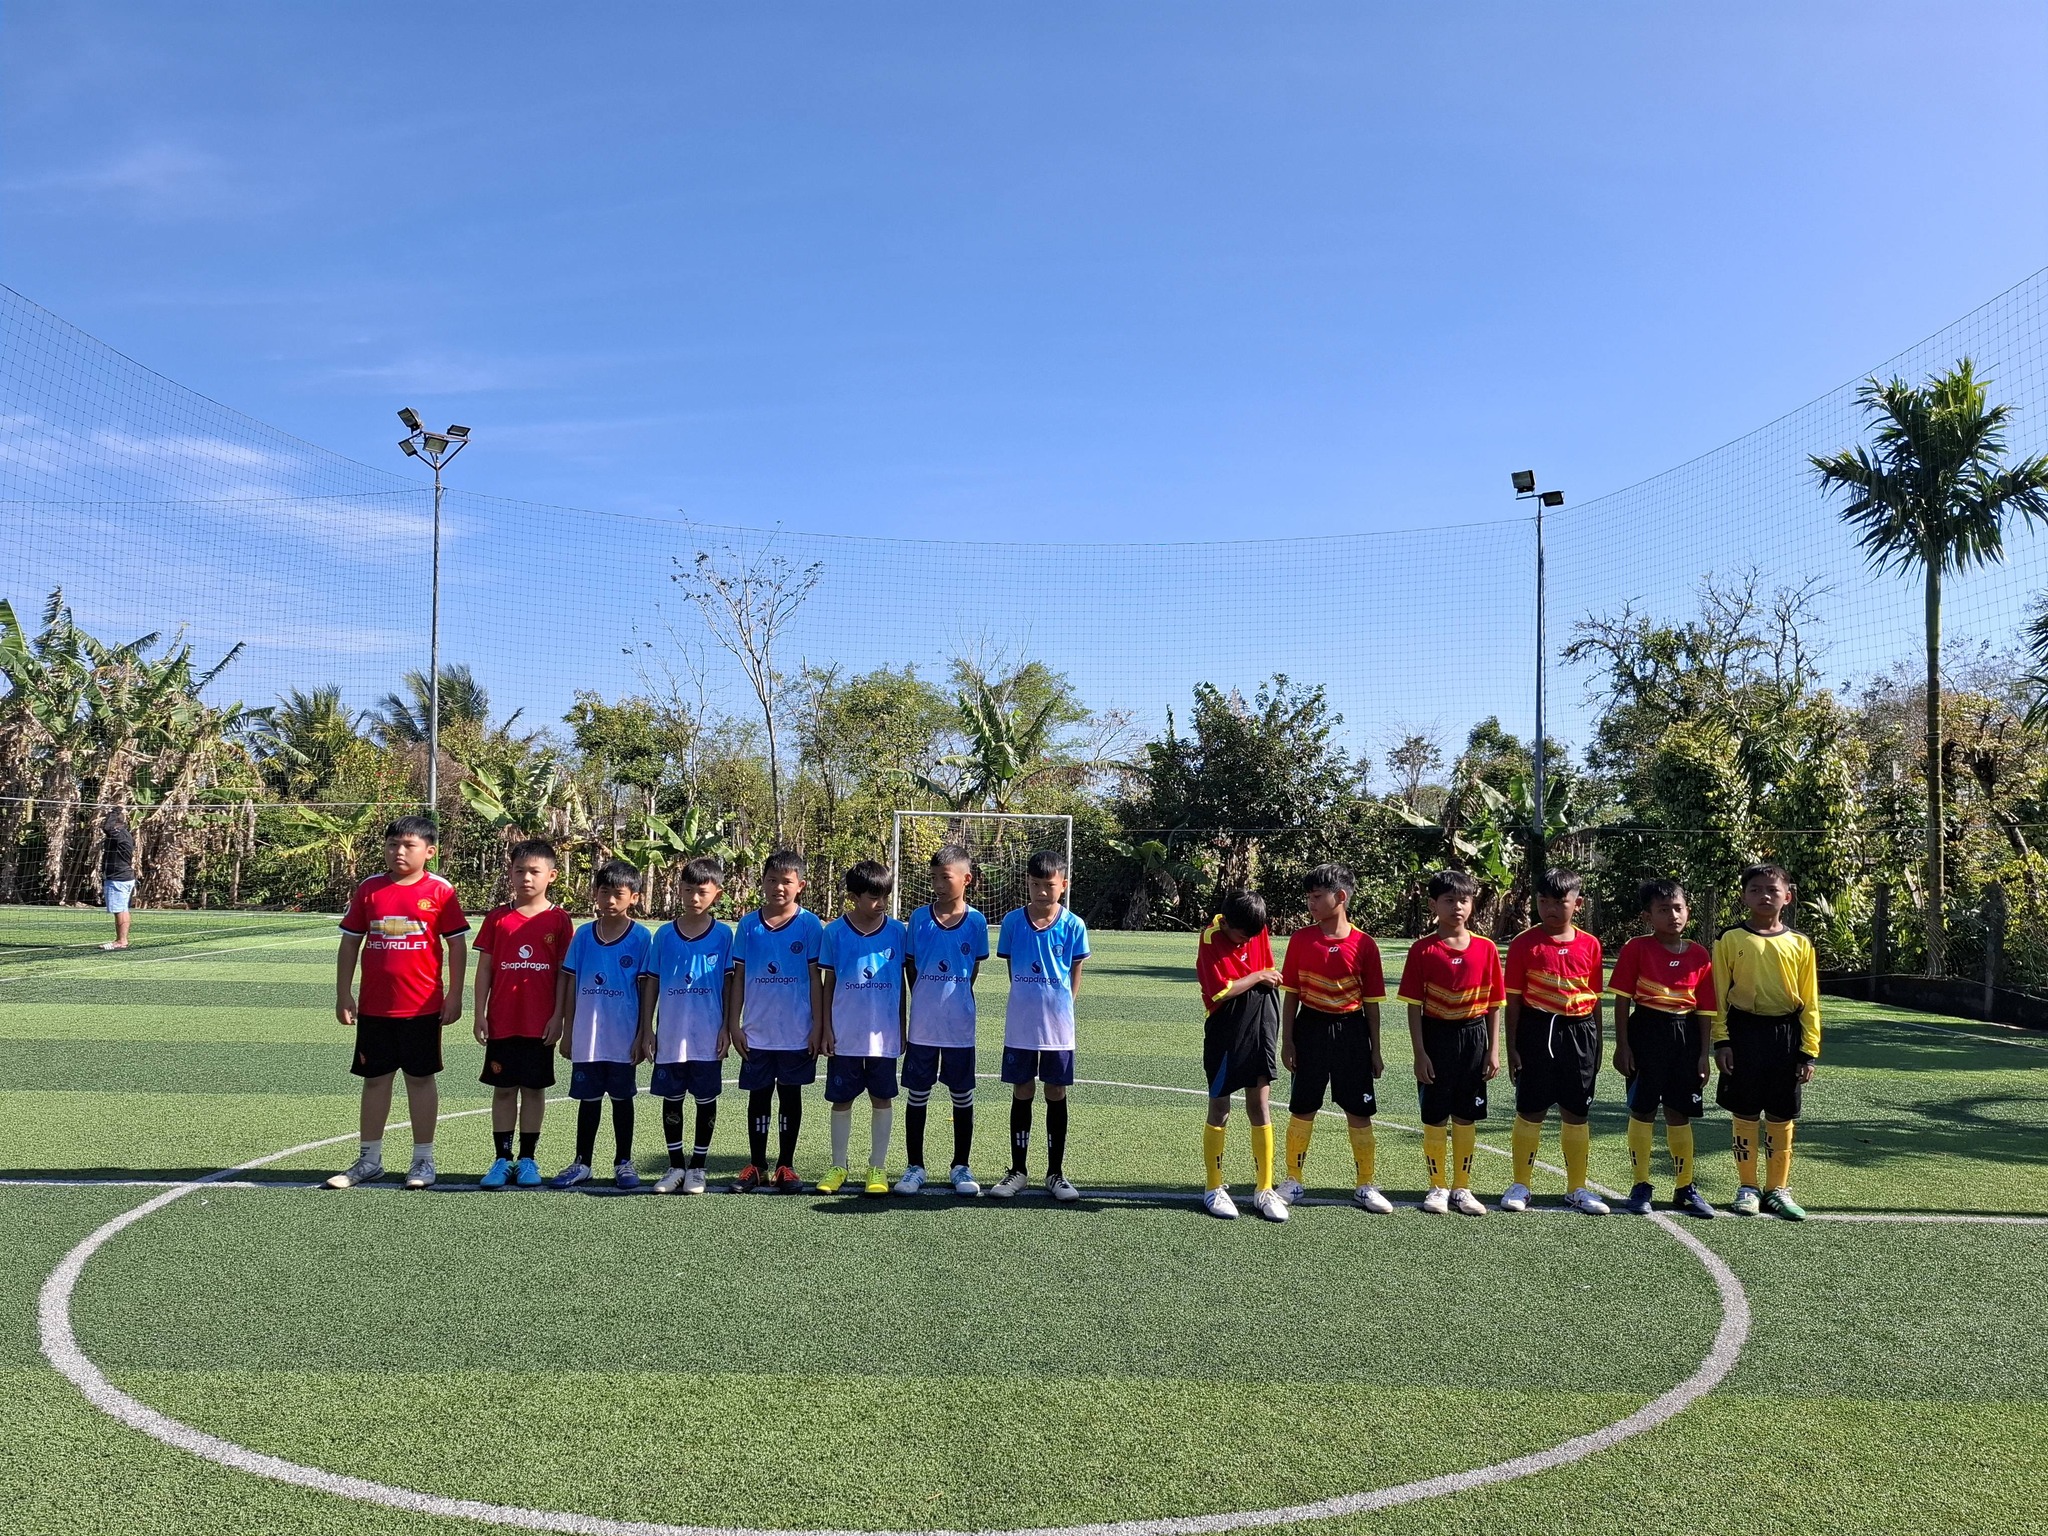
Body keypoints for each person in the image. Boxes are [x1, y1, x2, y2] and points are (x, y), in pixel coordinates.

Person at [326, 815, 468, 1190]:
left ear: (429, 852)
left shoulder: (441, 891)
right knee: (375, 1081)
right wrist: (344, 993)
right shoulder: (369, 889)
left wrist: (455, 994)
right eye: (392, 845)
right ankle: (369, 1159)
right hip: (375, 1007)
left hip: (422, 1007)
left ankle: (423, 1160)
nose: (399, 852)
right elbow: (350, 942)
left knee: (420, 1080)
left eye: (408, 845)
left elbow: (457, 945)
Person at [1276, 863, 1392, 1214]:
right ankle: (1293, 1180)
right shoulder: (1301, 939)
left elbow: (1371, 1004)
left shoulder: (1365, 944)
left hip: (1351, 1031)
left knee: (1359, 1109)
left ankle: (1365, 1184)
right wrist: (1287, 1041)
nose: (1310, 903)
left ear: (1340, 897)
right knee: (1303, 1106)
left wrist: (1375, 1050)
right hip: (1310, 1028)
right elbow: (1291, 995)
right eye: (1308, 897)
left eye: (1316, 896)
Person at [1713, 862, 1820, 1221]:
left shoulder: (1800, 943)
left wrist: (1808, 1051)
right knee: (1744, 1110)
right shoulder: (1730, 939)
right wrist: (1721, 1040)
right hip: (1743, 1032)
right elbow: (1718, 994)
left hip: (1786, 1036)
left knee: (1781, 1113)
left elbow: (1810, 1001)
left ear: (1787, 897)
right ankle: (1747, 1187)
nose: (1764, 896)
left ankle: (1777, 1188)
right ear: (1744, 896)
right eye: (1755, 889)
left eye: (1772, 890)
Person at [1501, 869, 1610, 1215]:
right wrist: (1512, 1047)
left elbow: (1595, 1000)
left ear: (1578, 904)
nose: (1550, 908)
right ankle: (1521, 1184)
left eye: (1560, 901)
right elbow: (1513, 1001)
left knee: (1576, 1112)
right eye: (1543, 900)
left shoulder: (1590, 945)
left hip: (1580, 1033)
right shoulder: (1524, 943)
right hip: (1537, 1030)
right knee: (1530, 1109)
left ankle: (1577, 1188)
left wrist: (1597, 1046)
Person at [1397, 868, 1505, 1215]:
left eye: (1464, 900)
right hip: (1436, 1036)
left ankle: (1462, 1187)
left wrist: (1493, 1050)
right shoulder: (1422, 950)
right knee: (1435, 1116)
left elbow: (1494, 1004)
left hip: (1474, 1036)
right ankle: (1437, 1187)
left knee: (1465, 1115)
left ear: (1472, 904)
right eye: (1449, 900)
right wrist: (1419, 1053)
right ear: (1433, 905)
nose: (1457, 907)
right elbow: (1414, 1006)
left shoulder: (1486, 948)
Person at [1610, 877, 1718, 1219]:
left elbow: (1705, 1010)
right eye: (1663, 910)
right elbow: (1622, 1001)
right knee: (1643, 1109)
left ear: (1688, 911)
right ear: (1648, 916)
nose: (1673, 915)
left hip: (1685, 1036)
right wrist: (1623, 1046)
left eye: (1678, 908)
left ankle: (1685, 1187)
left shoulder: (1699, 954)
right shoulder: (1636, 948)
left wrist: (1703, 1055)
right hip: (1646, 1032)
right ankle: (1641, 1185)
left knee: (1679, 1111)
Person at [471, 839, 573, 1189]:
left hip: (539, 1024)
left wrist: (558, 1017)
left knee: (533, 1089)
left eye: (534, 871)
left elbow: (564, 974)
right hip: (502, 1021)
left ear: (551, 876)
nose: (526, 878)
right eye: (519, 871)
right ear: (510, 874)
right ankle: (502, 1158)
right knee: (503, 1090)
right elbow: (485, 969)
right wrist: (479, 1013)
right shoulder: (497, 918)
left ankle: (527, 1158)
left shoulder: (559, 920)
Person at [991, 849, 1089, 1201]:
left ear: (1064, 885)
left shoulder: (1074, 925)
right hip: (1021, 1025)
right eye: (1035, 884)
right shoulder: (1012, 922)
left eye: (1049, 885)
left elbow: (1075, 972)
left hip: (1058, 1028)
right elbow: (1012, 969)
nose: (1042, 892)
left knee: (1055, 1091)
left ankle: (1055, 1173)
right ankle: (1018, 1170)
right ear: (1027, 884)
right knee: (1022, 1089)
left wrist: (1062, 1006)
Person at [550, 860, 653, 1190]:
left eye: (618, 894)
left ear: (634, 897)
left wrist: (643, 1033)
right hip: (587, 1035)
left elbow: (645, 989)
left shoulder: (641, 938)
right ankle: (582, 1162)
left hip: (622, 1036)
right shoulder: (583, 935)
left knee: (622, 1099)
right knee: (589, 1099)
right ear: (595, 893)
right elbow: (570, 982)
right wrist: (567, 1031)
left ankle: (624, 1161)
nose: (609, 900)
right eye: (604, 892)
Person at [729, 849, 826, 1193]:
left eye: (786, 881)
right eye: (772, 880)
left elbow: (815, 979)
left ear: (801, 885)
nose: (778, 887)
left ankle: (786, 1164)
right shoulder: (748, 925)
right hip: (756, 1031)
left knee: (790, 1095)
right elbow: (739, 977)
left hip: (796, 1031)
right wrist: (734, 1023)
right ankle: (756, 1165)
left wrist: (818, 1026)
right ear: (763, 882)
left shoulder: (810, 925)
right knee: (758, 1096)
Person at [897, 845, 990, 1196]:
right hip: (923, 1024)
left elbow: (973, 970)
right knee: (917, 1094)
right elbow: (911, 966)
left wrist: (955, 997)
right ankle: (914, 1166)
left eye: (945, 877)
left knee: (961, 1094)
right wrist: (925, 997)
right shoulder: (919, 919)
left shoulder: (976, 922)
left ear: (966, 879)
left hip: (959, 1026)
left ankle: (961, 1166)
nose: (937, 884)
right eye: (934, 877)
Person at [641, 857, 735, 1195]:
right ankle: (675, 1165)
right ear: (678, 890)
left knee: (705, 1098)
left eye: (702, 892)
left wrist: (727, 1027)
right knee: (673, 1098)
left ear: (717, 894)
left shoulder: (723, 935)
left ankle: (698, 1167)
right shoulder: (665, 935)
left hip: (707, 1034)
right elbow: (652, 982)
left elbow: (729, 985)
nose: (694, 897)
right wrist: (646, 1028)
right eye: (688, 890)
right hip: (671, 1033)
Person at [817, 861, 909, 1196]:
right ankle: (838, 1165)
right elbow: (828, 984)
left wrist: (902, 1026)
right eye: (873, 897)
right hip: (845, 1034)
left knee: (882, 1098)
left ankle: (877, 1166)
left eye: (885, 896)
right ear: (854, 897)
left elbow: (901, 984)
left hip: (883, 1035)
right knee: (841, 1100)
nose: (881, 903)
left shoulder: (898, 932)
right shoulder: (834, 933)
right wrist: (826, 1028)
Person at [1194, 888, 1287, 1222]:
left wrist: (1264, 977)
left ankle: (1264, 1189)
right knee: (1220, 1107)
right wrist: (1258, 976)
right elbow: (1222, 991)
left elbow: (1270, 969)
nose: (1247, 940)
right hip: (1226, 1025)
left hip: (1262, 1018)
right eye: (1241, 935)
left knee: (1260, 1104)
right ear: (1226, 923)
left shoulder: (1255, 926)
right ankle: (1213, 1187)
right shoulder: (1210, 938)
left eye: (1252, 935)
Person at [98, 808, 136, 951]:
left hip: (119, 878)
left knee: (119, 910)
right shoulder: (122, 834)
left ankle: (121, 941)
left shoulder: (119, 834)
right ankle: (121, 940)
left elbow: (107, 827)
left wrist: (115, 810)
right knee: (122, 909)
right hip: (122, 877)